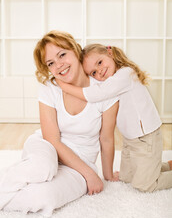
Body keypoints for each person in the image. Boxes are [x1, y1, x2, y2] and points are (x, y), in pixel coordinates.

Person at [0, 33, 119, 217]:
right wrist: (89, 174)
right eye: (50, 63)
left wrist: (106, 175)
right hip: (47, 147)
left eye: (62, 55)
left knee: (45, 197)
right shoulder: (49, 87)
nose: (59, 65)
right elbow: (51, 139)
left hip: (79, 165)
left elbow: (106, 139)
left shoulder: (104, 90)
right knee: (43, 168)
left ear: (76, 51)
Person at [56, 43, 172, 193]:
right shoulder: (110, 81)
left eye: (100, 62)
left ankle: (157, 173)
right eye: (93, 73)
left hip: (145, 138)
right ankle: (165, 166)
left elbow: (95, 94)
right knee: (126, 177)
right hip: (130, 140)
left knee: (145, 185)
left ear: (109, 53)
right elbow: (96, 89)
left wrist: (63, 86)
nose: (100, 71)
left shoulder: (125, 74)